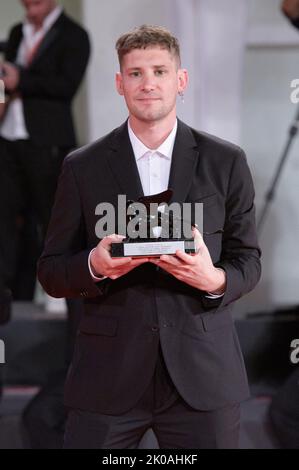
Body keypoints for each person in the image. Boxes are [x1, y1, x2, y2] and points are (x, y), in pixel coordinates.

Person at [38, 25, 261, 449]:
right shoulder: (81, 167)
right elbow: (50, 270)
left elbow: (248, 260)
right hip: (108, 377)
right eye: (136, 73)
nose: (148, 83)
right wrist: (94, 266)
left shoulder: (226, 161)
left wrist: (213, 280)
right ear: (120, 83)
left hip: (203, 376)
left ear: (180, 81)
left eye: (160, 71)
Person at [0, 0, 90, 305]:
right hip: (8, 141)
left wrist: (20, 78)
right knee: (8, 223)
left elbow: (67, 85)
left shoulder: (74, 35)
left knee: (51, 221)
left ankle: (61, 297)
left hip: (47, 144)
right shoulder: (16, 33)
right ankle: (12, 300)